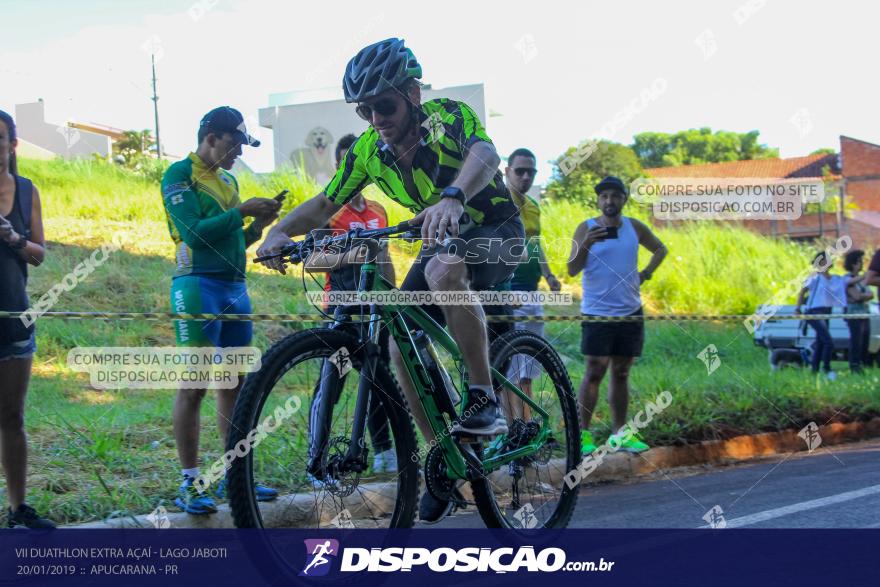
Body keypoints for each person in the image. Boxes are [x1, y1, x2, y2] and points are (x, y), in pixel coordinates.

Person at [258, 38, 524, 522]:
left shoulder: (448, 116)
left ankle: (484, 396)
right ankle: (442, 456)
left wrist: (454, 196)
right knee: (401, 338)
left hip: (496, 229)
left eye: (385, 105)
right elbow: (324, 204)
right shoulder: (367, 152)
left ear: (412, 93)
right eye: (365, 111)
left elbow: (485, 153)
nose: (376, 118)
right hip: (443, 235)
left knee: (445, 269)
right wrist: (278, 231)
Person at [161, 106, 282, 514]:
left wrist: (257, 226)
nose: (237, 154)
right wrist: (242, 212)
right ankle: (190, 482)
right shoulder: (179, 173)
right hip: (197, 287)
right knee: (194, 387)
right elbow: (194, 234)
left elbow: (233, 241)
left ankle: (237, 475)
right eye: (234, 144)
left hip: (234, 287)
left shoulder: (229, 180)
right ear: (212, 135)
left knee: (234, 387)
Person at [306, 133, 398, 474]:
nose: (354, 170)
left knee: (377, 380)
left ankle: (385, 452)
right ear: (338, 167)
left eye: (359, 163)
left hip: (376, 310)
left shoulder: (379, 210)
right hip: (342, 309)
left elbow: (385, 257)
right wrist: (352, 255)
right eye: (346, 163)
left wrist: (395, 295)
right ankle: (316, 460)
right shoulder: (329, 212)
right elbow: (312, 261)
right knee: (333, 382)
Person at [567, 176, 667, 456]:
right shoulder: (585, 228)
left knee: (622, 372)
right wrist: (586, 243)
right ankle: (583, 436)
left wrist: (646, 273)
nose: (609, 201)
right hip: (597, 312)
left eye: (615, 196)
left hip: (630, 311)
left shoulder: (634, 227)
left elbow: (660, 248)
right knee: (594, 370)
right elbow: (572, 269)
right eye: (604, 196)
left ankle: (620, 434)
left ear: (624, 199)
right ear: (598, 201)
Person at [0, 110, 54, 528]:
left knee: (12, 417)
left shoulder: (26, 190)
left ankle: (18, 510)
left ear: (12, 145)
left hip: (14, 320)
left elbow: (39, 253)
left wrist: (13, 238)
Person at [503, 148, 561, 418]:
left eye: (531, 172)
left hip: (532, 292)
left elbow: (537, 246)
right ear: (507, 171)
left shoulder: (533, 207)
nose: (526, 177)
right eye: (520, 171)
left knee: (528, 365)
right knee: (510, 365)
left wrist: (548, 275)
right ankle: (516, 424)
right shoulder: (497, 204)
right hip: (507, 292)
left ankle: (527, 422)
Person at [796, 251, 847, 380]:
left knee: (820, 342)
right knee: (828, 342)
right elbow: (802, 292)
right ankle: (827, 368)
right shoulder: (814, 277)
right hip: (814, 311)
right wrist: (797, 308)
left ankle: (814, 370)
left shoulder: (834, 279)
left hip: (826, 311)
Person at [842, 250, 873, 373]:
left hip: (865, 314)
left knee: (865, 342)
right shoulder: (848, 279)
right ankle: (854, 366)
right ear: (853, 264)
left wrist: (861, 296)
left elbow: (871, 295)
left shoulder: (859, 281)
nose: (862, 264)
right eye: (860, 261)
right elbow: (857, 297)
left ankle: (863, 365)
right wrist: (861, 296)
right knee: (856, 341)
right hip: (854, 315)